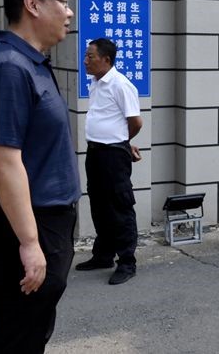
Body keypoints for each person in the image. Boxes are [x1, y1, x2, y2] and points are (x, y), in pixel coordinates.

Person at [0, 0, 79, 353]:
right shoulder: (9, 69)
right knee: (16, 338)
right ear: (32, 4)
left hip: (45, 222)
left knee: (29, 333)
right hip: (21, 228)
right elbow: (2, 161)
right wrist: (30, 243)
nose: (69, 12)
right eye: (62, 2)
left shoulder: (31, 63)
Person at [74, 37, 142, 285]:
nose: (85, 61)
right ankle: (103, 255)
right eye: (86, 56)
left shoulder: (121, 85)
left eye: (90, 56)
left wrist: (122, 143)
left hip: (113, 156)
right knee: (99, 204)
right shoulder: (96, 83)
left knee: (119, 206)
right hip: (96, 153)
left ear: (106, 60)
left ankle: (127, 262)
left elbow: (136, 122)